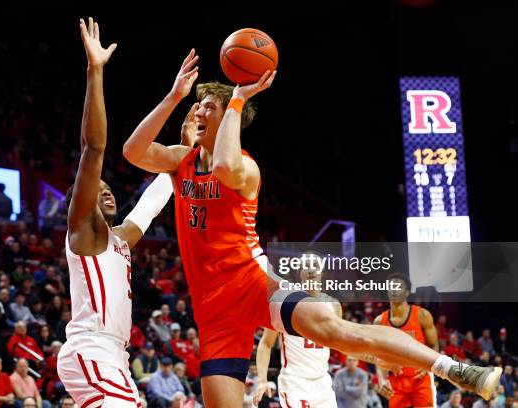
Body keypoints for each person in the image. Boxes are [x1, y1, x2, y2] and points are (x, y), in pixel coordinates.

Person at [123, 51, 500, 405]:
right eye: (198, 105)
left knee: (334, 329)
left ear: (227, 119)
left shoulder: (246, 168)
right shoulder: (180, 161)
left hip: (254, 284)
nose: (199, 110)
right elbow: (132, 151)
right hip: (213, 313)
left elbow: (223, 165)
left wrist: (237, 98)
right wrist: (173, 97)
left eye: (209, 106)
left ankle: (453, 368)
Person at [56, 18, 179, 408]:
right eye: (99, 190)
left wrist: (185, 154)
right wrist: (95, 71)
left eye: (110, 190)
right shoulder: (83, 232)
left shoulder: (120, 238)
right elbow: (93, 147)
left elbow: (150, 204)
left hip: (115, 356)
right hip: (90, 348)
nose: (107, 193)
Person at [255, 258, 341, 408]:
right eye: (305, 266)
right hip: (295, 382)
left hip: (323, 383)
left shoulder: (333, 306)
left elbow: (341, 344)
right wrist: (262, 380)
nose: (310, 270)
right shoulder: (284, 302)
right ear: (299, 273)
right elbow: (266, 343)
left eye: (315, 266)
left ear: (322, 273)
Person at [375, 273, 439, 408]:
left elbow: (434, 345)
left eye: (398, 287)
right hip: (396, 380)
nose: (394, 290)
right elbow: (377, 355)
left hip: (420, 379)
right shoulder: (380, 321)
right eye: (391, 287)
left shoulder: (422, 315)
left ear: (407, 293)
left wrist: (428, 366)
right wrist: (381, 378)